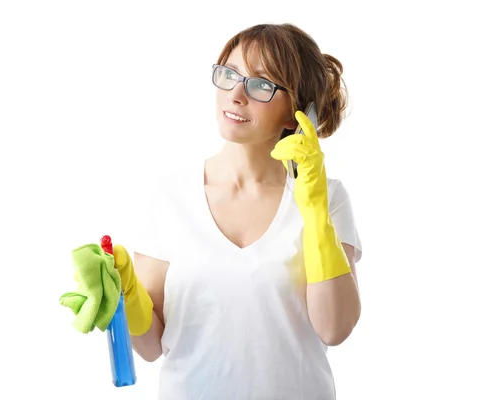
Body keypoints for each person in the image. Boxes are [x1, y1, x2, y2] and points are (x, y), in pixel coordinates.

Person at [111, 22, 363, 399]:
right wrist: (124, 294)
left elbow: (334, 328)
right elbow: (151, 346)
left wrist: (314, 213)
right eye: (229, 74)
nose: (236, 94)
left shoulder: (327, 198)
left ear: (298, 112)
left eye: (261, 84)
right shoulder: (172, 198)